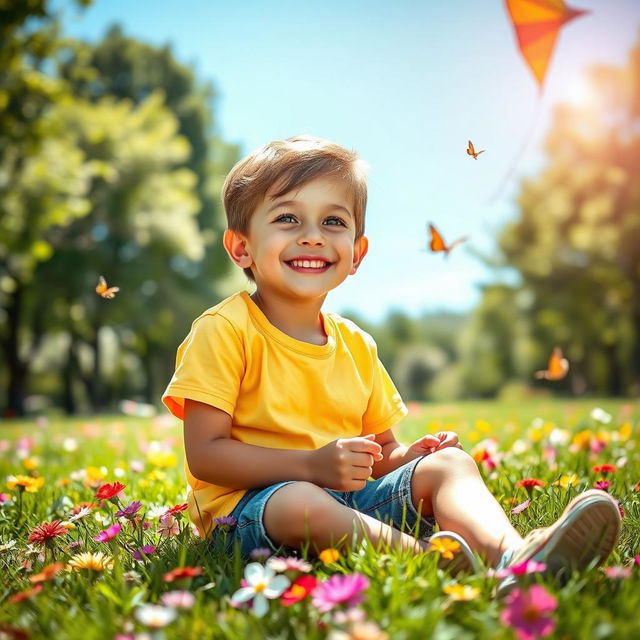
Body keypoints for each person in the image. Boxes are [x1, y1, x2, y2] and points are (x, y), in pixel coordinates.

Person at [162, 135, 620, 594]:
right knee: (300, 499)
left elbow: (379, 454)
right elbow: (206, 455)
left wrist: (411, 456)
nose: (312, 235)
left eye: (333, 221)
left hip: (345, 499)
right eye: (286, 218)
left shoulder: (356, 344)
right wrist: (312, 466)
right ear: (240, 247)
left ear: (357, 253)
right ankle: (434, 562)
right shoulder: (224, 330)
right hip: (246, 514)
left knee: (451, 464)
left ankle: (515, 556)